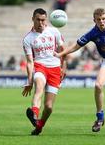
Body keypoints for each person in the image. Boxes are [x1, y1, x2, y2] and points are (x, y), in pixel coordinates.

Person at [22, 8, 67, 136]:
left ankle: (39, 126)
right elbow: (30, 62)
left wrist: (64, 67)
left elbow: (63, 50)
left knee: (49, 107)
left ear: (46, 19)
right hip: (40, 66)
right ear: (33, 19)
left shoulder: (54, 31)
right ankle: (34, 114)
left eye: (43, 20)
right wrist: (29, 81)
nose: (41, 23)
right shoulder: (28, 39)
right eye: (38, 20)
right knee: (39, 87)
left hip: (55, 68)